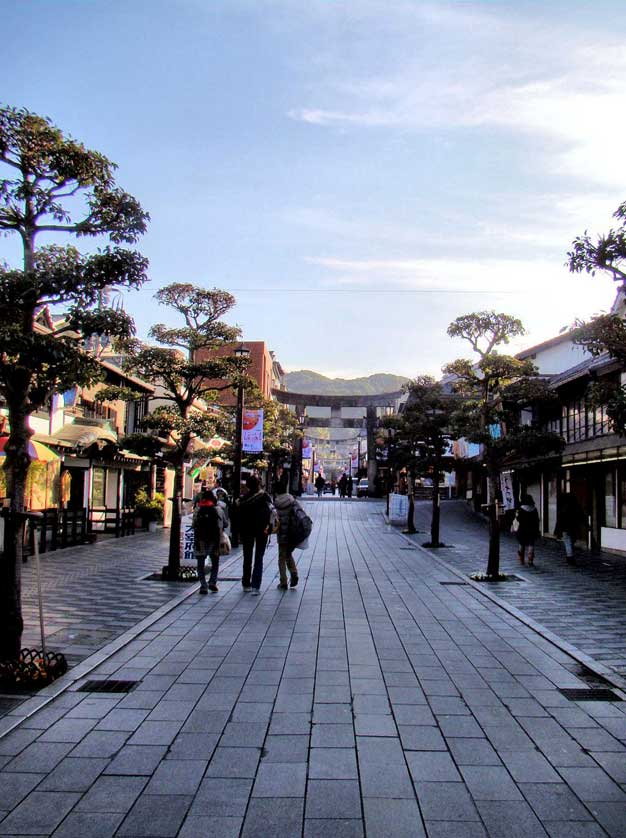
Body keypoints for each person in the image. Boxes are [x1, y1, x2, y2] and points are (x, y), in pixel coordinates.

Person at [238, 475, 273, 596]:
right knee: (259, 557)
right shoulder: (265, 496)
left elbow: (239, 516)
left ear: (247, 485)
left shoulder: (243, 499)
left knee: (247, 557)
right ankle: (256, 585)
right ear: (259, 484)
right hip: (262, 530)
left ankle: (246, 583)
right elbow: (272, 512)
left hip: (247, 530)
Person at [274, 474, 301, 590]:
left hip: (281, 533)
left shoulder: (276, 503)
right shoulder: (292, 500)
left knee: (281, 557)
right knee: (288, 553)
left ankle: (283, 581)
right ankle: (294, 573)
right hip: (292, 532)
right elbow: (300, 513)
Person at [192, 489, 222, 594]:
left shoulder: (198, 509)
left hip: (200, 539)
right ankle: (212, 582)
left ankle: (203, 585)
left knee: (200, 563)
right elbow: (224, 523)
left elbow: (193, 524)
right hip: (214, 539)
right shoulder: (217, 509)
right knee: (215, 562)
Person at [554, 492, 583, 564]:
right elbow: (582, 516)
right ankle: (570, 555)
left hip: (565, 528)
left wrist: (558, 530)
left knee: (568, 541)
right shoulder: (576, 506)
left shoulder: (563, 508)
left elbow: (560, 520)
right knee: (571, 541)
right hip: (574, 527)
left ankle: (570, 556)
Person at [514, 493, 540, 567]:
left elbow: (517, 519)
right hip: (532, 529)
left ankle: (521, 559)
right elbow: (537, 520)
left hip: (522, 529)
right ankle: (530, 560)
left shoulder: (520, 509)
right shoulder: (534, 509)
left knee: (521, 543)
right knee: (531, 544)